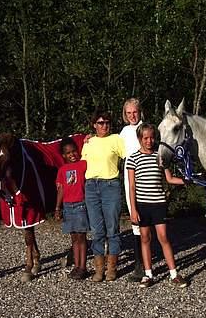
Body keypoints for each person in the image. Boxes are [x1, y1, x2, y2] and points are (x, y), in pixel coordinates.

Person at [126, 123, 188, 288]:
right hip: (142, 204)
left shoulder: (159, 156)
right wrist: (133, 210)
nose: (149, 141)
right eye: (145, 138)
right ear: (139, 139)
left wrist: (187, 181)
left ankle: (174, 273)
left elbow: (169, 178)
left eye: (152, 137)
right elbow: (132, 186)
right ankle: (148, 274)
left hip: (158, 203)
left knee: (163, 238)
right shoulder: (132, 159)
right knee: (145, 238)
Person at [82, 110, 126, 282]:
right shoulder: (88, 142)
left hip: (110, 185)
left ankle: (112, 269)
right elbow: (82, 164)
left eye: (107, 122)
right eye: (100, 123)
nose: (104, 125)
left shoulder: (116, 139)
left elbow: (128, 157)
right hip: (91, 186)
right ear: (94, 125)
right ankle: (99, 269)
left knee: (112, 229)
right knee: (96, 230)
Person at [55, 137, 90, 280]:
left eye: (74, 151)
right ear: (64, 155)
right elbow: (61, 189)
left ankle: (83, 267)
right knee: (74, 238)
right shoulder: (62, 170)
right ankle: (76, 265)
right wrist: (58, 207)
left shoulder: (83, 165)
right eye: (68, 153)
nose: (72, 155)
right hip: (68, 207)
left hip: (81, 205)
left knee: (81, 237)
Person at [119, 98, 145, 282]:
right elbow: (114, 149)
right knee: (135, 218)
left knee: (150, 220)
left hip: (147, 178)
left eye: (134, 112)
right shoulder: (124, 131)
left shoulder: (147, 129)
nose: (132, 116)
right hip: (130, 179)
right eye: (128, 113)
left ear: (140, 111)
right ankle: (139, 264)